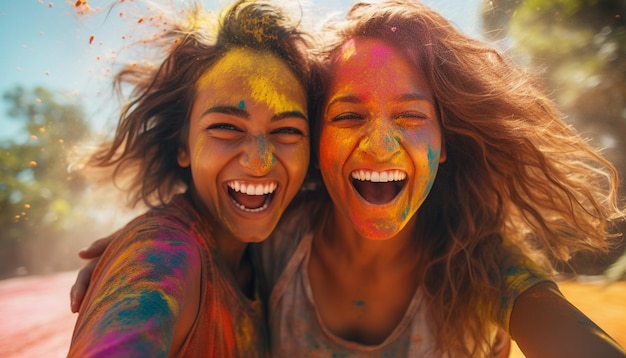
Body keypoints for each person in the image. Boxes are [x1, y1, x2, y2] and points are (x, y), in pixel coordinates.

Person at [71, 0, 626, 357]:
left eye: (410, 117)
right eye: (347, 116)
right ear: (318, 143)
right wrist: (147, 246)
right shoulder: (271, 239)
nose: (381, 145)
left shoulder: (481, 261)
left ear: (446, 142)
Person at [67, 0, 317, 356]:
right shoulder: (161, 254)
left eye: (288, 131)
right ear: (182, 144)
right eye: (226, 127)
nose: (260, 162)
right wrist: (142, 250)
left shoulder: (273, 254)